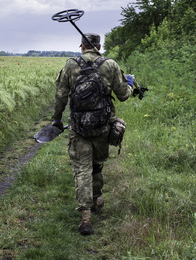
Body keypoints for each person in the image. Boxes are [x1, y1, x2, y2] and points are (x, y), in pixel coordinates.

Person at [51, 33, 134, 235]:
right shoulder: (110, 65)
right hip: (102, 126)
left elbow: (61, 95)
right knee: (96, 167)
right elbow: (123, 95)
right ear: (98, 46)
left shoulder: (70, 65)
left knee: (82, 170)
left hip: (78, 127)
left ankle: (86, 219)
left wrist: (57, 119)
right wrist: (130, 84)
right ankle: (96, 201)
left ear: (82, 46)